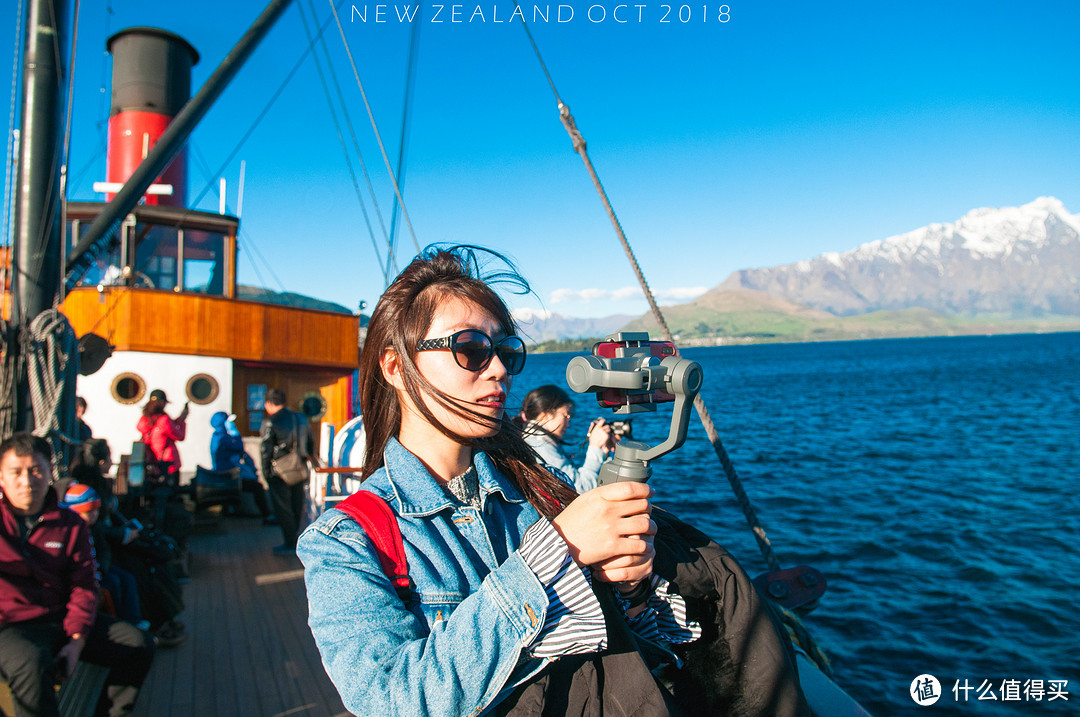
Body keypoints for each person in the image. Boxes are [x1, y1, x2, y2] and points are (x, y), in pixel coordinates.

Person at [298, 246, 809, 716]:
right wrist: (557, 551)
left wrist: (631, 591)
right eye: (471, 348)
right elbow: (390, 700)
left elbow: (632, 658)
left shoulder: (535, 495)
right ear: (394, 365)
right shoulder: (345, 543)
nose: (499, 369)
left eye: (507, 350)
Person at [0, 432, 155, 717]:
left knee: (138, 644)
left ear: (49, 471)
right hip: (11, 627)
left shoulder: (70, 524)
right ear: (1, 477)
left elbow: (84, 584)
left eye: (36, 470)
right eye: (16, 472)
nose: (26, 481)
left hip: (60, 618)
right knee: (33, 664)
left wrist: (76, 639)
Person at [516, 384, 614, 492]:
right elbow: (581, 489)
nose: (568, 424)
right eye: (566, 416)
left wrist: (603, 451)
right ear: (546, 415)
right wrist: (595, 447)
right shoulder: (540, 446)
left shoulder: (533, 440)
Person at [260, 389, 314, 555]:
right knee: (297, 504)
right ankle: (297, 538)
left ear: (268, 404)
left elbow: (265, 449)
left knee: (283, 507)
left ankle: (290, 542)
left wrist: (266, 472)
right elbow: (310, 441)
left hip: (280, 471)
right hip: (299, 467)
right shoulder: (300, 418)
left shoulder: (271, 421)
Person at [210, 411, 274, 524]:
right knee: (257, 487)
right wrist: (235, 433)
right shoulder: (223, 438)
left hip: (227, 474)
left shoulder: (218, 436)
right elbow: (239, 447)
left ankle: (228, 511)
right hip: (228, 476)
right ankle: (267, 516)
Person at [136, 389, 188, 482]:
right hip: (168, 464)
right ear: (162, 403)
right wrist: (182, 420)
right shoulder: (164, 420)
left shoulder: (144, 420)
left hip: (152, 464)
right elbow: (180, 436)